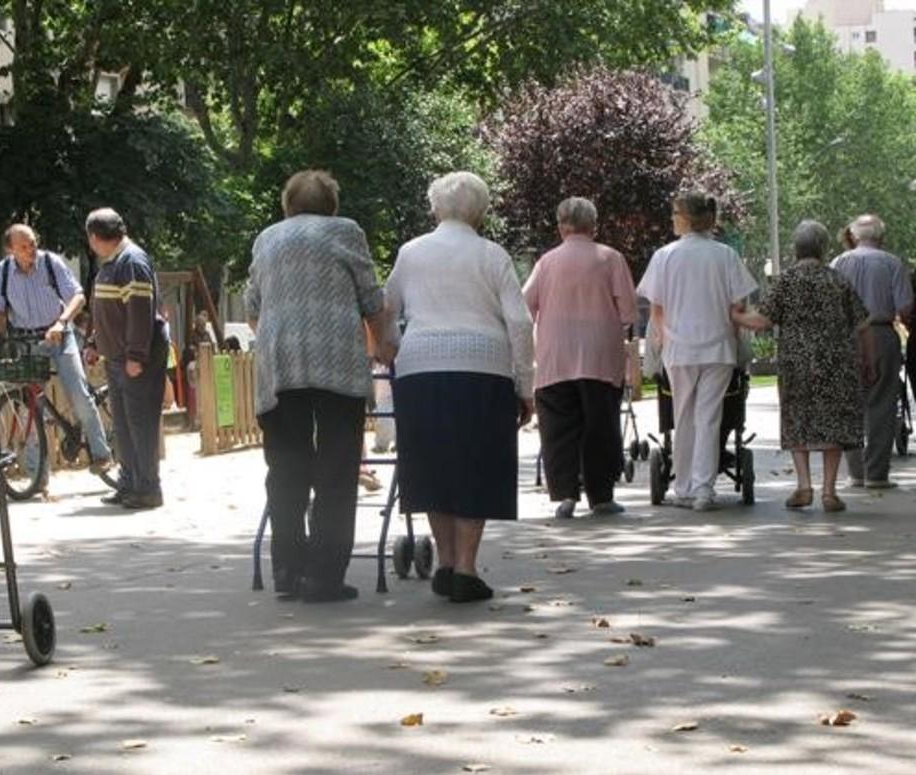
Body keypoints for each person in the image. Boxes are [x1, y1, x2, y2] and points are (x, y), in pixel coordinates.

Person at [385, 171, 534, 603]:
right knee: (476, 462)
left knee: (434, 461)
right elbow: (520, 323)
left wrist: (393, 349)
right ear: (481, 212)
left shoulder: (410, 253)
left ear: (435, 207)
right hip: (483, 369)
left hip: (420, 369)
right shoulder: (492, 255)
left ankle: (447, 561)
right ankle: (466, 567)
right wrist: (525, 383)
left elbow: (387, 308)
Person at [246, 170, 393, 603]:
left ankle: (288, 571)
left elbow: (253, 309)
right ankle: (324, 577)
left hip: (280, 364)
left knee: (286, 467)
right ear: (332, 205)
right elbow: (371, 300)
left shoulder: (267, 238)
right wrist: (385, 344)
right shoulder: (347, 232)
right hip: (336, 364)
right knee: (336, 467)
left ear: (287, 205)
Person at [734, 221, 870, 512]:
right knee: (832, 421)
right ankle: (830, 491)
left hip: (797, 363)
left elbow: (763, 321)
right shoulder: (837, 280)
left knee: (798, 418)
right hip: (836, 360)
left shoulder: (786, 281)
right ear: (823, 248)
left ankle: (804, 486)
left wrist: (736, 316)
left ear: (796, 248)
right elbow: (861, 322)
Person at [637, 192, 757, 512]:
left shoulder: (665, 256)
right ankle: (704, 489)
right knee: (710, 418)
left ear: (686, 218)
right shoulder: (726, 255)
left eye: (675, 213)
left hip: (680, 348)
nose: (672, 218)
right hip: (718, 347)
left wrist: (663, 341)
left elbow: (657, 309)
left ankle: (684, 486)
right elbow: (738, 306)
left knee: (683, 416)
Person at [524, 197, 637, 519]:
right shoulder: (610, 259)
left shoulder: (546, 262)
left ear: (562, 226)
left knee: (559, 426)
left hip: (556, 356)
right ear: (594, 225)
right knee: (600, 424)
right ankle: (601, 496)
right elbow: (628, 311)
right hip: (600, 357)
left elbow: (526, 306)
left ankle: (565, 495)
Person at [0, 223, 112, 483]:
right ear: (11, 249)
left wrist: (61, 322)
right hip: (27, 342)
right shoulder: (1, 273)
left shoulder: (51, 263)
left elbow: (77, 296)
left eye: (33, 243)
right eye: (24, 246)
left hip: (60, 336)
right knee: (29, 407)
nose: (31, 249)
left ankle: (101, 454)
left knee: (77, 392)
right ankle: (38, 477)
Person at [85, 208, 169, 509]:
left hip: (135, 358)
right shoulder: (111, 263)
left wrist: (136, 355)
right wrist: (95, 342)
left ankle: (148, 488)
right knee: (123, 424)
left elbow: (139, 311)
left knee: (140, 423)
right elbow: (106, 310)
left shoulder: (132, 261)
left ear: (95, 237)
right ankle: (129, 482)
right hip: (116, 356)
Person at [829, 215, 913, 489]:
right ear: (881, 235)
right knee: (882, 404)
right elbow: (905, 307)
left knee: (849, 405)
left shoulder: (839, 263)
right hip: (880, 332)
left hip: (845, 334)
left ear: (854, 235)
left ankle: (856, 472)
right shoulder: (892, 263)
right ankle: (876, 473)